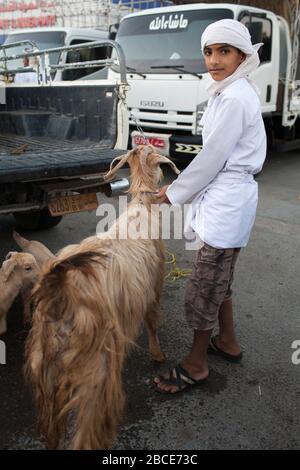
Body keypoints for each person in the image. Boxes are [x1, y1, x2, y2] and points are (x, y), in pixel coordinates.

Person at [154, 19, 267, 394]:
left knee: (205, 285)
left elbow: (213, 156)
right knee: (221, 279)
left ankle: (197, 363)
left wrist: (174, 191)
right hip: (228, 199)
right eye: (208, 51)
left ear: (242, 54)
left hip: (227, 200)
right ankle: (228, 342)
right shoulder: (229, 91)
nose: (214, 60)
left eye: (224, 51)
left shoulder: (234, 97)